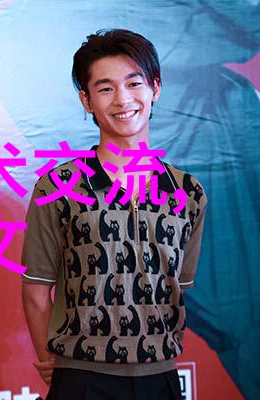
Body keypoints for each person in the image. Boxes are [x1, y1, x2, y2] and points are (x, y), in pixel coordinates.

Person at [21, 29, 207, 400]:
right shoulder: (59, 187)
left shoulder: (187, 193)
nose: (123, 99)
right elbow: (36, 291)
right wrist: (54, 365)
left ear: (155, 88)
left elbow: (179, 286)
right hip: (81, 379)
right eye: (105, 88)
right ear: (86, 100)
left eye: (134, 83)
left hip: (162, 379)